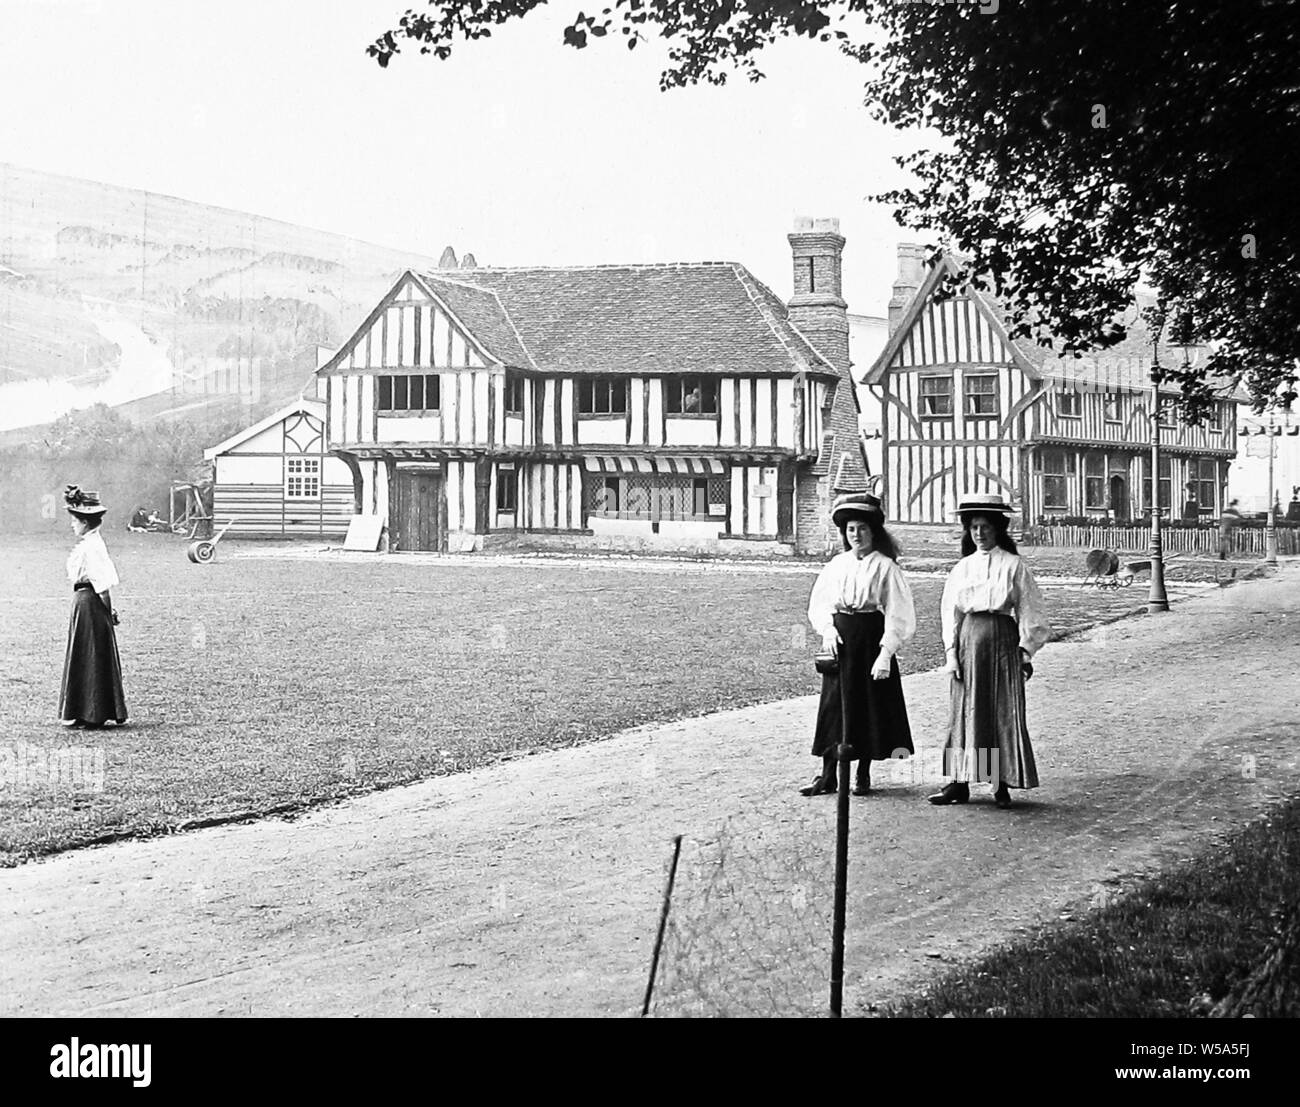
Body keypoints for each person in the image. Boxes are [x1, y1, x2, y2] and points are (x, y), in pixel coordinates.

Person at [929, 492, 1049, 809]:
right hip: (970, 640)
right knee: (965, 710)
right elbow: (950, 613)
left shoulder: (1014, 566)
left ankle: (1000, 782)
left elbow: (1030, 610)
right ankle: (958, 783)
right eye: (974, 528)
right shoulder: (962, 568)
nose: (980, 534)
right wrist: (951, 653)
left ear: (998, 529)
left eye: (985, 527)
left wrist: (1025, 651)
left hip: (1002, 641)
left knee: (999, 710)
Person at [802, 492, 916, 796]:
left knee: (867, 704)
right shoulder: (837, 565)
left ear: (873, 531)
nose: (856, 535)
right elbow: (820, 602)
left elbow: (898, 612)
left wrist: (886, 652)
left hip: (869, 637)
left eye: (862, 528)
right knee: (834, 705)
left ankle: (862, 771)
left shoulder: (886, 567)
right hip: (840, 637)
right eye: (851, 529)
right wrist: (827, 629)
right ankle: (828, 774)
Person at [59, 486, 128, 729]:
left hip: (90, 603)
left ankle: (94, 713)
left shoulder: (93, 547)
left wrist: (108, 614)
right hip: (83, 602)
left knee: (92, 653)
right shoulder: (89, 543)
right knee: (83, 653)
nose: (72, 525)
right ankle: (81, 710)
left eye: (75, 520)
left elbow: (103, 586)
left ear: (86, 522)